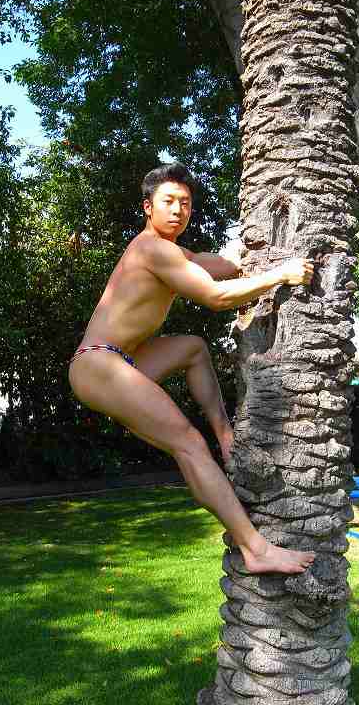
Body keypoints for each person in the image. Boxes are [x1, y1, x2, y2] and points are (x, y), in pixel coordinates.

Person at [68, 163, 316, 575]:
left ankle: (225, 437)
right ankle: (256, 549)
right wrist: (279, 274)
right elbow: (216, 296)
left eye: (185, 203)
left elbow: (211, 265)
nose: (178, 210)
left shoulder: (171, 252)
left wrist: (245, 254)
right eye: (168, 201)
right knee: (188, 443)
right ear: (148, 207)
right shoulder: (152, 249)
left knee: (193, 349)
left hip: (120, 359)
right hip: (99, 362)